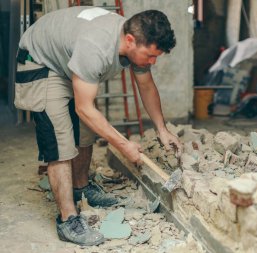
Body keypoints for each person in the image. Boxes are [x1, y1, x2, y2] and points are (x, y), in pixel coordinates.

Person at [15, 6, 182, 246]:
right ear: (130, 40)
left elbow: (146, 86)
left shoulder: (137, 38)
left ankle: (81, 188)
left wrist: (162, 130)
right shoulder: (95, 47)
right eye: (150, 56)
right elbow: (84, 108)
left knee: (86, 131)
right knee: (60, 141)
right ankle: (68, 219)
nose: (153, 61)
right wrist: (124, 145)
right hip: (41, 61)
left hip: (68, 57)